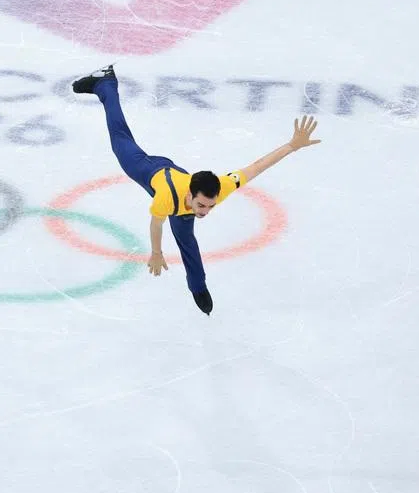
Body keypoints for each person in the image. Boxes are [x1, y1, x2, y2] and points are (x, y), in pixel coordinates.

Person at [72, 65, 321, 315]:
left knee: (187, 239)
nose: (205, 211)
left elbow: (255, 167)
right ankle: (104, 83)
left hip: (177, 181)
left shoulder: (218, 188)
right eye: (202, 205)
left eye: (210, 206)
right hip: (149, 171)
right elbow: (156, 224)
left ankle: (198, 287)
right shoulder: (165, 199)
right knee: (121, 141)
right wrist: (157, 253)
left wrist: (291, 146)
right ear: (191, 195)